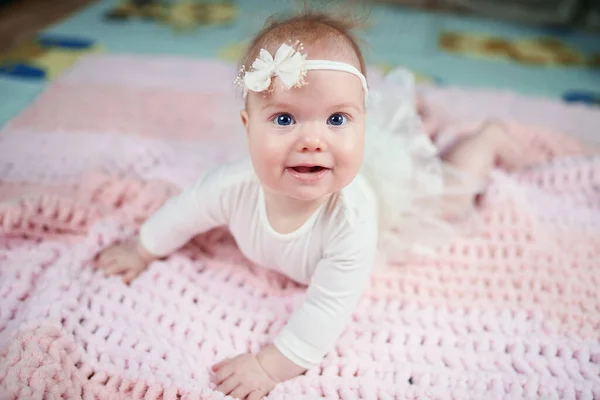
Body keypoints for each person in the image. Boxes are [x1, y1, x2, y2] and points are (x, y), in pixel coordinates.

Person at [95, 11, 526, 399]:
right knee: (412, 144)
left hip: (385, 191)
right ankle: (417, 120)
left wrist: (270, 364)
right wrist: (141, 248)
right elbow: (184, 211)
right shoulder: (232, 185)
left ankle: (486, 139)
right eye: (285, 119)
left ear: (360, 122)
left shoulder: (350, 223)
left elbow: (327, 309)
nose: (312, 140)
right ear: (248, 127)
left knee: (447, 194)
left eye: (338, 119)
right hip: (350, 157)